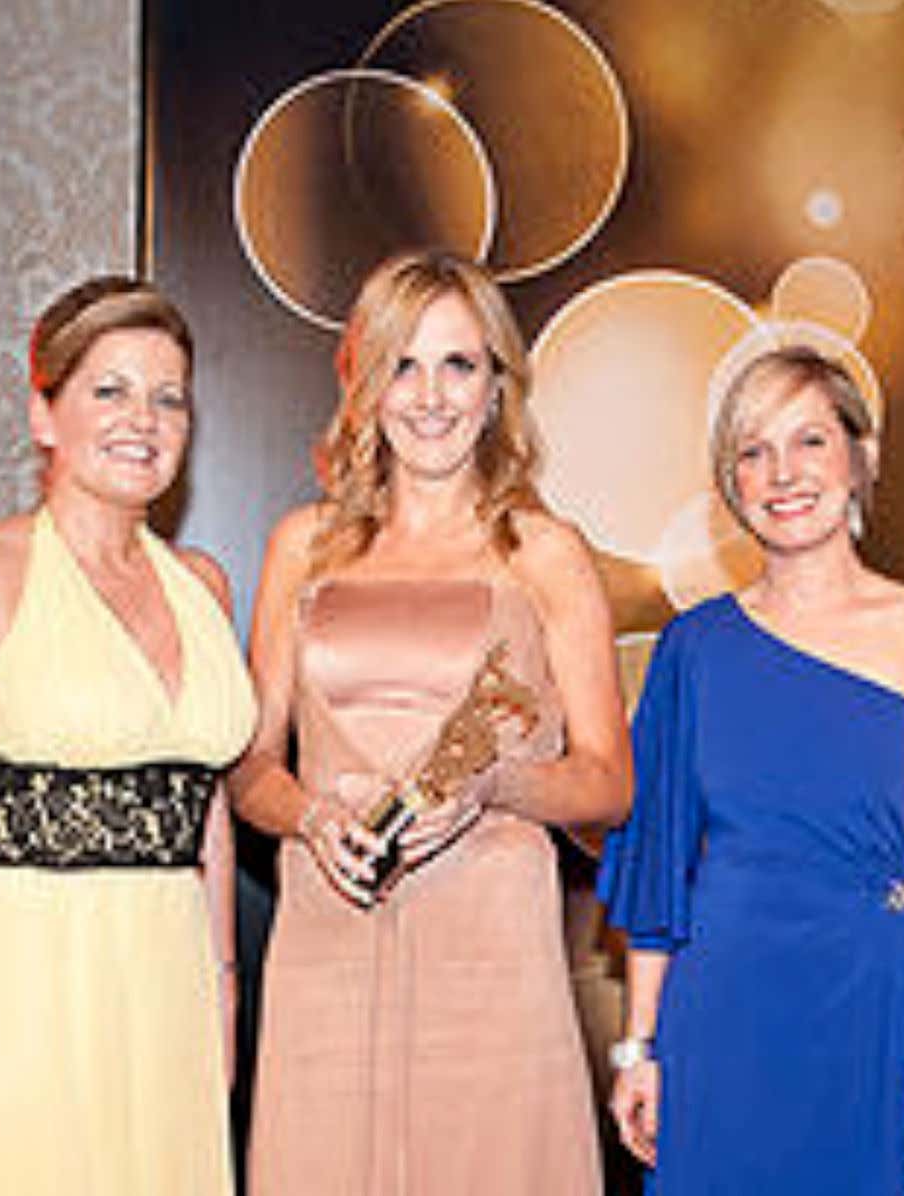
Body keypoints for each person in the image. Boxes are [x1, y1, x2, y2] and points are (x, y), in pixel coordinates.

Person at [232, 248, 630, 1194]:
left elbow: (610, 783)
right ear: (367, 386)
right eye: (403, 365)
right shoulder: (302, 546)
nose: (431, 396)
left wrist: (495, 783)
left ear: (497, 388)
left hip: (493, 949)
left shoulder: (545, 553)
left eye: (459, 364)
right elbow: (250, 769)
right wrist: (312, 819)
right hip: (327, 940)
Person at [0, 276, 256, 1194]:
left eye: (169, 398)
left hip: (164, 989)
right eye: (109, 390)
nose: (143, 420)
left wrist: (222, 983)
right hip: (9, 984)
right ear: (44, 415)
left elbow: (204, 809)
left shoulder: (202, 584)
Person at [598, 346, 904, 1192]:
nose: (783, 473)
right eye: (754, 451)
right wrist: (640, 1047)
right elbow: (660, 872)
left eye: (810, 440)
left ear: (861, 457)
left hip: (889, 1005)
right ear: (731, 482)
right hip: (727, 1018)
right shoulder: (693, 649)